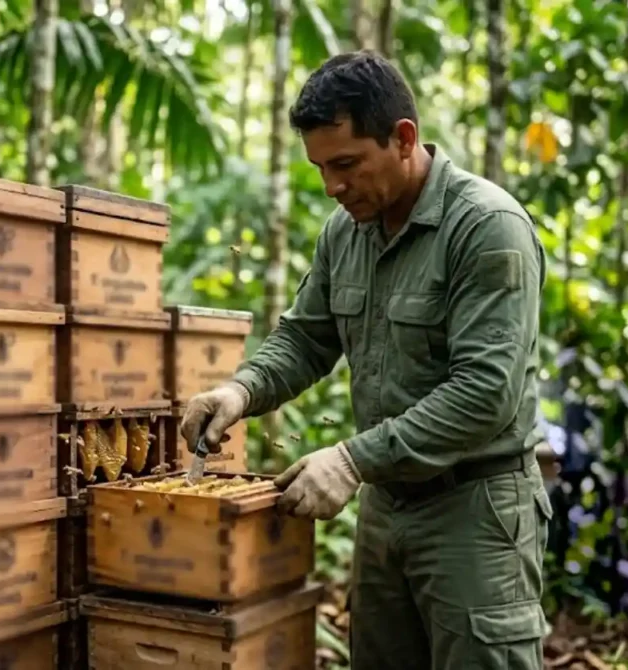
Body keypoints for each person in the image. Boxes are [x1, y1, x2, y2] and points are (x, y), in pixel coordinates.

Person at [179, 50, 553, 670]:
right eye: (321, 168)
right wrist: (240, 392)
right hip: (387, 509)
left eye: (346, 164)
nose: (332, 186)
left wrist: (351, 460)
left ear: (403, 138)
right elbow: (305, 338)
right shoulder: (345, 231)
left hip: (476, 513)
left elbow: (486, 393)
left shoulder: (487, 227)